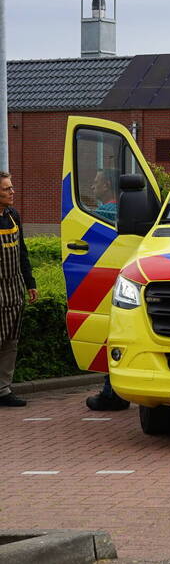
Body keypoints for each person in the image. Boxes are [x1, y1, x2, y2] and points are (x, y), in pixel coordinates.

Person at [85, 169, 130, 411]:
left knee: (109, 333)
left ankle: (111, 392)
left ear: (107, 186)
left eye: (96, 182)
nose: (93, 187)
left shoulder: (104, 213)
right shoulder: (123, 211)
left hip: (107, 280)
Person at [0, 173, 38, 407]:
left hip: (14, 289)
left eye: (11, 187)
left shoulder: (13, 215)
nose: (12, 192)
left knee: (10, 342)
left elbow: (21, 251)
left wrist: (30, 282)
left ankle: (3, 389)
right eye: (6, 189)